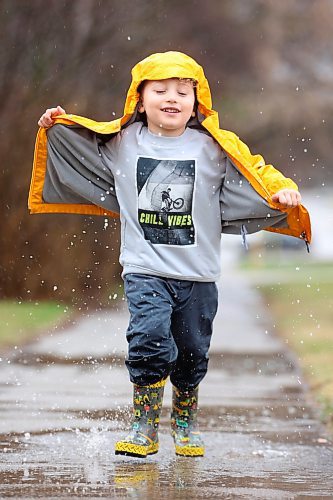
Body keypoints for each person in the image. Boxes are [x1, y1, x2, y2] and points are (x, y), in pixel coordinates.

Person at [32, 51, 311, 459]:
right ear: (139, 100)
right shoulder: (122, 142)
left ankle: (184, 421)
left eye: (183, 91)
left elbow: (256, 170)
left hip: (199, 273)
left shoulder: (214, 148)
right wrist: (56, 125)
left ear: (197, 102)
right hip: (145, 268)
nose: (172, 98)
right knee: (148, 340)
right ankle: (144, 425)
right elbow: (80, 139)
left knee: (192, 351)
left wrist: (284, 190)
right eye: (160, 89)